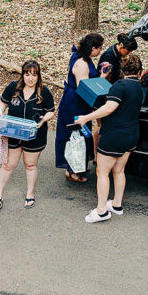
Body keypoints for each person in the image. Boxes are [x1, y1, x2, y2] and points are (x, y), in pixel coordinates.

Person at [74, 53, 144, 223]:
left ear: (122, 70)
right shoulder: (139, 87)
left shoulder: (120, 86)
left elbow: (109, 108)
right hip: (132, 134)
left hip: (114, 135)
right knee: (119, 171)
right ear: (140, 71)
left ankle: (101, 211)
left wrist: (85, 118)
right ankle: (117, 205)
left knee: (102, 172)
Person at [0, 61, 56, 210]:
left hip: (34, 135)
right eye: (27, 74)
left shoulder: (43, 91)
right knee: (8, 165)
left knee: (30, 164)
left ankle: (30, 194)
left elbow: (51, 111)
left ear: (38, 76)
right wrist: (0, 112)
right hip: (13, 132)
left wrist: (42, 121)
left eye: (34, 75)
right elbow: (3, 102)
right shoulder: (14, 87)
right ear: (23, 75)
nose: (30, 78)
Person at [54, 33, 105, 183]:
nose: (100, 51)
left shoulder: (81, 56)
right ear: (92, 48)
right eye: (99, 48)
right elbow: (84, 90)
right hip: (75, 105)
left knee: (83, 134)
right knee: (76, 136)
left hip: (79, 104)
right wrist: (102, 78)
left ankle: (78, 165)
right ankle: (72, 172)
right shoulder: (82, 64)